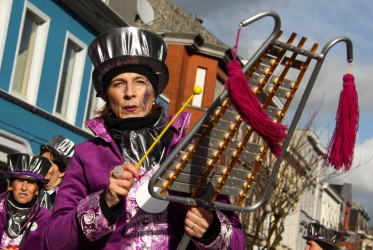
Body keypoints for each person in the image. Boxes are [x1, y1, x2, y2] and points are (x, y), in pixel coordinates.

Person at [45, 27, 245, 249]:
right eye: (118, 83)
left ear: (154, 91)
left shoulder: (191, 151)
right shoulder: (86, 155)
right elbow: (54, 241)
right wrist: (105, 202)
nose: (129, 92)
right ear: (106, 95)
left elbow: (238, 242)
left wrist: (211, 230)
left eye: (140, 82)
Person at [0, 153, 52, 249]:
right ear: (11, 185)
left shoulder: (46, 220)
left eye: (31, 183)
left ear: (37, 190)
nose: (24, 188)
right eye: (20, 181)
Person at [39, 135, 75, 209]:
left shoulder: (65, 200)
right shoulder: (32, 190)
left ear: (63, 172)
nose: (43, 167)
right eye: (42, 162)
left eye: (49, 164)